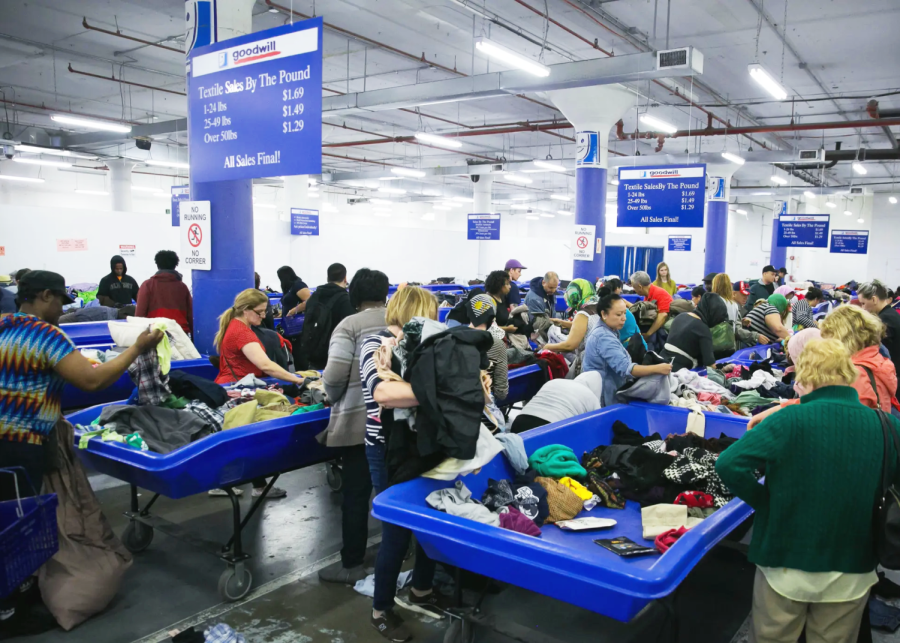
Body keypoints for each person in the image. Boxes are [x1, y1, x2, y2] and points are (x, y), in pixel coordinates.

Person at [0, 271, 162, 624]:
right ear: (45, 296)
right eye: (60, 301)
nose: (61, 310)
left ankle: (15, 593)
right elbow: (92, 381)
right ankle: (12, 609)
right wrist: (136, 348)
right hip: (22, 442)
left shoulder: (3, 326)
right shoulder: (44, 334)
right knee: (22, 525)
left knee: (4, 518)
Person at [716, 338, 900, 643]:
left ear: (806, 376)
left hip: (784, 561)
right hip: (852, 564)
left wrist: (766, 503)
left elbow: (728, 463)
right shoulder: (887, 426)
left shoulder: (788, 419)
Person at [359, 287, 448, 640]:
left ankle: (422, 590)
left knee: (431, 520)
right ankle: (381, 609)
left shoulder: (429, 347)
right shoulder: (375, 344)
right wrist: (447, 390)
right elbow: (382, 392)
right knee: (396, 531)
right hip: (386, 450)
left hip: (424, 448)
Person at [318, 268, 390, 586]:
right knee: (393, 490)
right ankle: (398, 551)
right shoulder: (401, 320)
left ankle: (351, 565)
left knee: (357, 494)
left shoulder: (349, 326)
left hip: (360, 422)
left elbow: (333, 377)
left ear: (355, 295)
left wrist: (325, 397)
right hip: (397, 420)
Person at [582, 293, 672, 407]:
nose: (624, 318)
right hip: (604, 397)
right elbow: (626, 369)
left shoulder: (611, 330)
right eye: (619, 314)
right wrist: (658, 369)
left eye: (625, 313)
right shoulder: (603, 337)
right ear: (604, 314)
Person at [213, 289, 306, 387]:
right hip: (237, 386)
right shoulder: (242, 332)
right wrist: (298, 380)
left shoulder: (236, 325)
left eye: (264, 311)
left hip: (235, 383)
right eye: (259, 312)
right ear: (245, 310)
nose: (264, 316)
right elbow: (266, 366)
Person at [820, 305, 898, 413]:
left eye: (830, 338)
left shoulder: (854, 374)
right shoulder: (878, 361)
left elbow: (838, 414)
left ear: (842, 338)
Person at [301, 263, 357, 370]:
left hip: (314, 353)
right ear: (345, 278)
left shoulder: (314, 297)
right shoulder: (346, 300)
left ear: (327, 278)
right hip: (336, 355)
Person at [510, 371, 603, 433]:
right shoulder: (591, 396)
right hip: (551, 428)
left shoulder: (554, 381)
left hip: (520, 421)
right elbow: (595, 426)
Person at [661, 293, 728, 371]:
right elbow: (710, 365)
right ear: (712, 314)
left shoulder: (681, 316)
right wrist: (725, 367)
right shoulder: (703, 329)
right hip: (677, 371)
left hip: (661, 363)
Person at [544, 279, 599, 371]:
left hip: (588, 363)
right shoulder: (598, 306)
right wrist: (562, 322)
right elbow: (584, 326)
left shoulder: (583, 313)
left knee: (553, 332)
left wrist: (547, 347)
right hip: (599, 359)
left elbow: (570, 345)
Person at [859, 280, 900, 398]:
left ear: (874, 300)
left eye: (863, 303)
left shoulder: (884, 320)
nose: (863, 308)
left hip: (895, 375)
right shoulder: (890, 314)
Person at [135, 250, 193, 334]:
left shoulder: (147, 285)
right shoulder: (182, 287)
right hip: (180, 333)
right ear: (175, 265)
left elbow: (139, 316)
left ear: (157, 265)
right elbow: (191, 316)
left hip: (156, 334)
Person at [465, 294, 508, 402]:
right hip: (483, 410)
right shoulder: (497, 344)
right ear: (492, 317)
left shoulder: (450, 338)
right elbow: (501, 392)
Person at [712, 274, 768, 347]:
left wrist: (740, 321)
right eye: (743, 294)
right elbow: (735, 330)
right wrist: (755, 336)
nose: (746, 298)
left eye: (747, 295)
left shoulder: (713, 302)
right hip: (725, 348)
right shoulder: (731, 306)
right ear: (734, 293)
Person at [277, 266, 312, 368]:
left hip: (298, 327)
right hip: (290, 326)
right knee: (296, 354)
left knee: (300, 355)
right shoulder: (290, 288)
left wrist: (294, 310)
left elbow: (310, 301)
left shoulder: (298, 285)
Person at [629, 270, 672, 348]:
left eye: (634, 287)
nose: (634, 290)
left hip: (665, 329)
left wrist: (648, 334)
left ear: (640, 286)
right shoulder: (647, 296)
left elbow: (663, 316)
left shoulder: (660, 293)